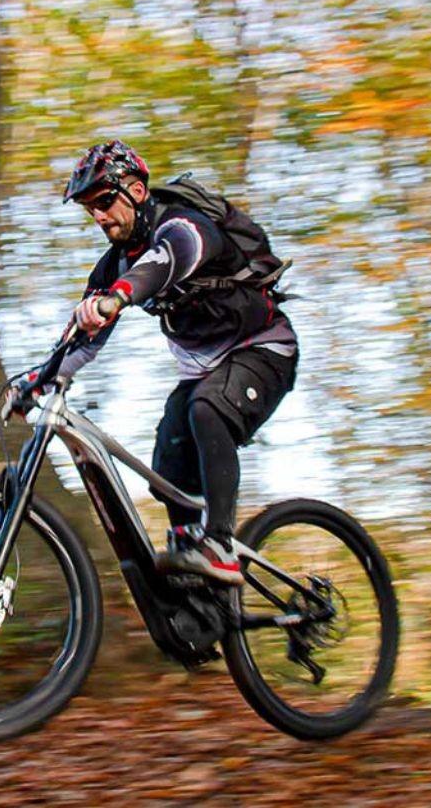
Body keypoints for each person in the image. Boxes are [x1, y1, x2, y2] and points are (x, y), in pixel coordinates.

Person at [33, 141, 298, 586]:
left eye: (103, 202)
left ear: (136, 191)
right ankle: (193, 571)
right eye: (89, 209)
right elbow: (82, 340)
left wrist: (119, 296)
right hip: (204, 373)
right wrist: (38, 382)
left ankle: (219, 545)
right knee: (167, 464)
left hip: (264, 351)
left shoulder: (184, 226)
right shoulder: (113, 264)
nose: (98, 217)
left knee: (207, 410)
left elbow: (167, 260)